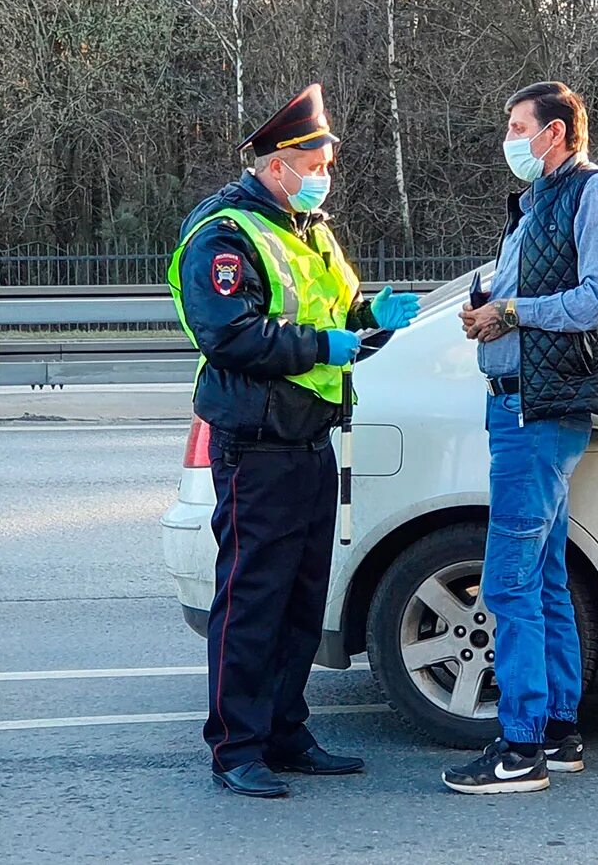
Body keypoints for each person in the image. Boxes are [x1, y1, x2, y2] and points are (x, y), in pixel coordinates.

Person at [167, 83, 421, 798]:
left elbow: (332, 312)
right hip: (256, 442)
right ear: (276, 164)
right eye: (314, 161)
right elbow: (230, 333)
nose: (323, 174)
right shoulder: (225, 233)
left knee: (302, 600)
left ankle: (285, 730)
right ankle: (236, 747)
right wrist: (327, 344)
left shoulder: (307, 228)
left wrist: (373, 316)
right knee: (252, 600)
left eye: (327, 162)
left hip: (309, 440)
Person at [441, 81, 598, 794]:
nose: (509, 138)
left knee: (508, 582)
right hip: (522, 405)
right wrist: (486, 309)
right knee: (545, 579)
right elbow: (522, 294)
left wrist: (513, 312)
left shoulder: (597, 194)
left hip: (540, 411)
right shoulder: (542, 201)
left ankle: (519, 748)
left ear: (555, 133)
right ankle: (558, 733)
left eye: (517, 125)